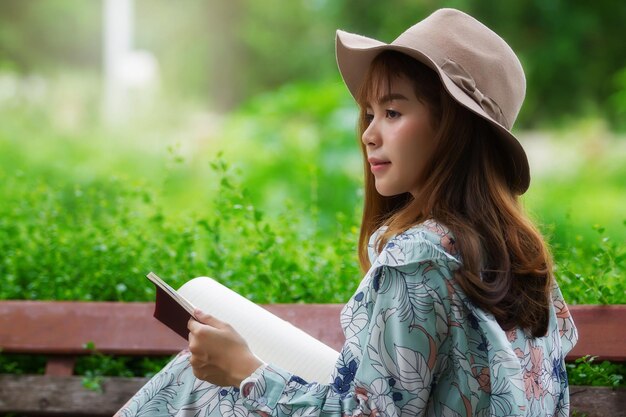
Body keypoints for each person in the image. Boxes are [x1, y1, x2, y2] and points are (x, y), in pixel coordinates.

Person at [116, 8, 578, 417]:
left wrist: (246, 371)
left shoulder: (419, 258)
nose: (369, 135)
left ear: (454, 130)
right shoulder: (527, 262)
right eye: (369, 114)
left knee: (200, 379)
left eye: (393, 113)